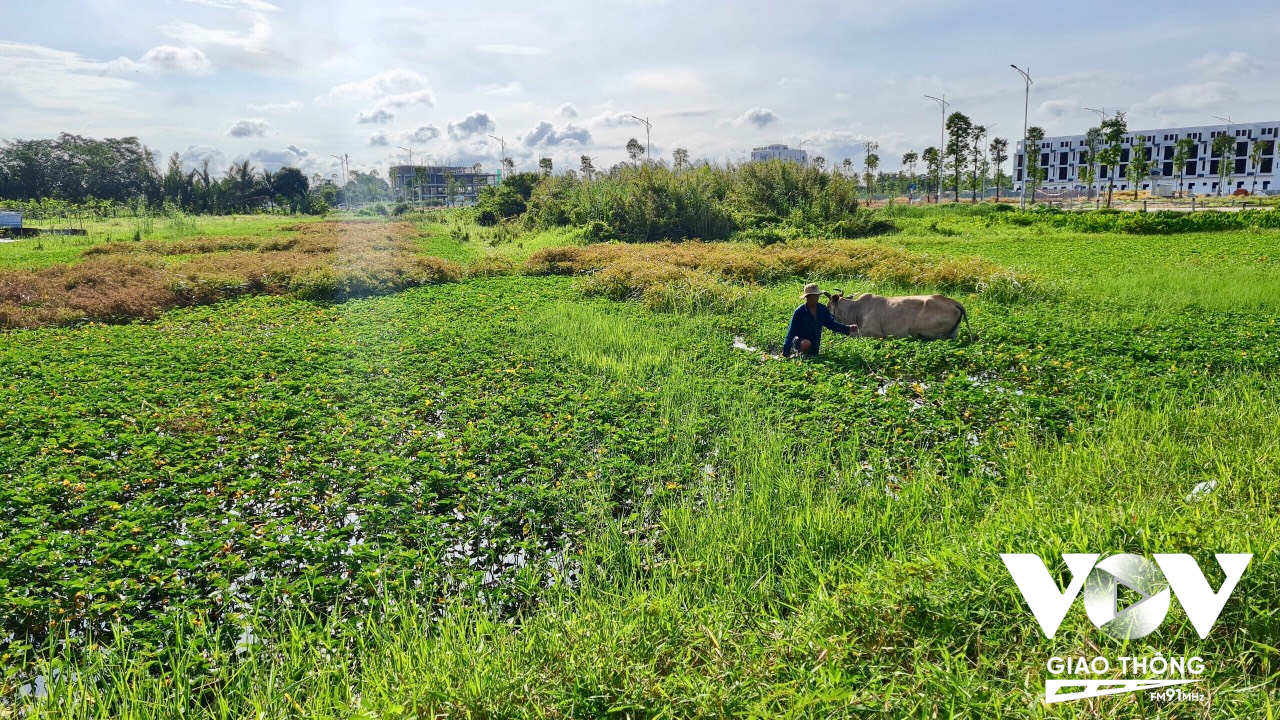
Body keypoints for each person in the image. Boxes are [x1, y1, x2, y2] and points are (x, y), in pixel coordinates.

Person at [782, 283, 856, 358]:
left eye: (817, 295)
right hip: (800, 343)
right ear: (807, 297)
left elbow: (832, 324)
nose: (816, 297)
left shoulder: (822, 309)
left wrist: (848, 328)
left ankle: (809, 356)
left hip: (815, 346)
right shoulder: (800, 311)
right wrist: (785, 352)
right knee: (806, 343)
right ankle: (798, 356)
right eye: (813, 295)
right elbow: (791, 332)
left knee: (813, 353)